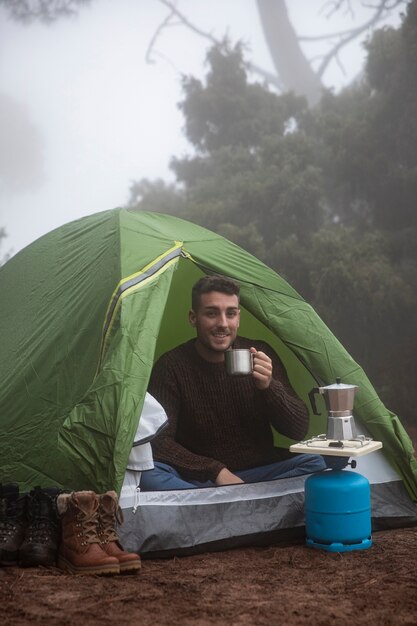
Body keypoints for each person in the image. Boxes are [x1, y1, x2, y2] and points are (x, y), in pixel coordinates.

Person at [141, 275, 326, 491]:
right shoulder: (171, 366)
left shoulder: (260, 354)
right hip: (202, 478)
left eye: (230, 314)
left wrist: (269, 387)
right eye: (211, 313)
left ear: (238, 318)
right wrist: (215, 470)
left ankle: (217, 504)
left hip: (260, 471)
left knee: (317, 461)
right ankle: (248, 501)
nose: (223, 324)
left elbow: (298, 430)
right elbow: (158, 442)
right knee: (148, 475)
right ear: (193, 318)